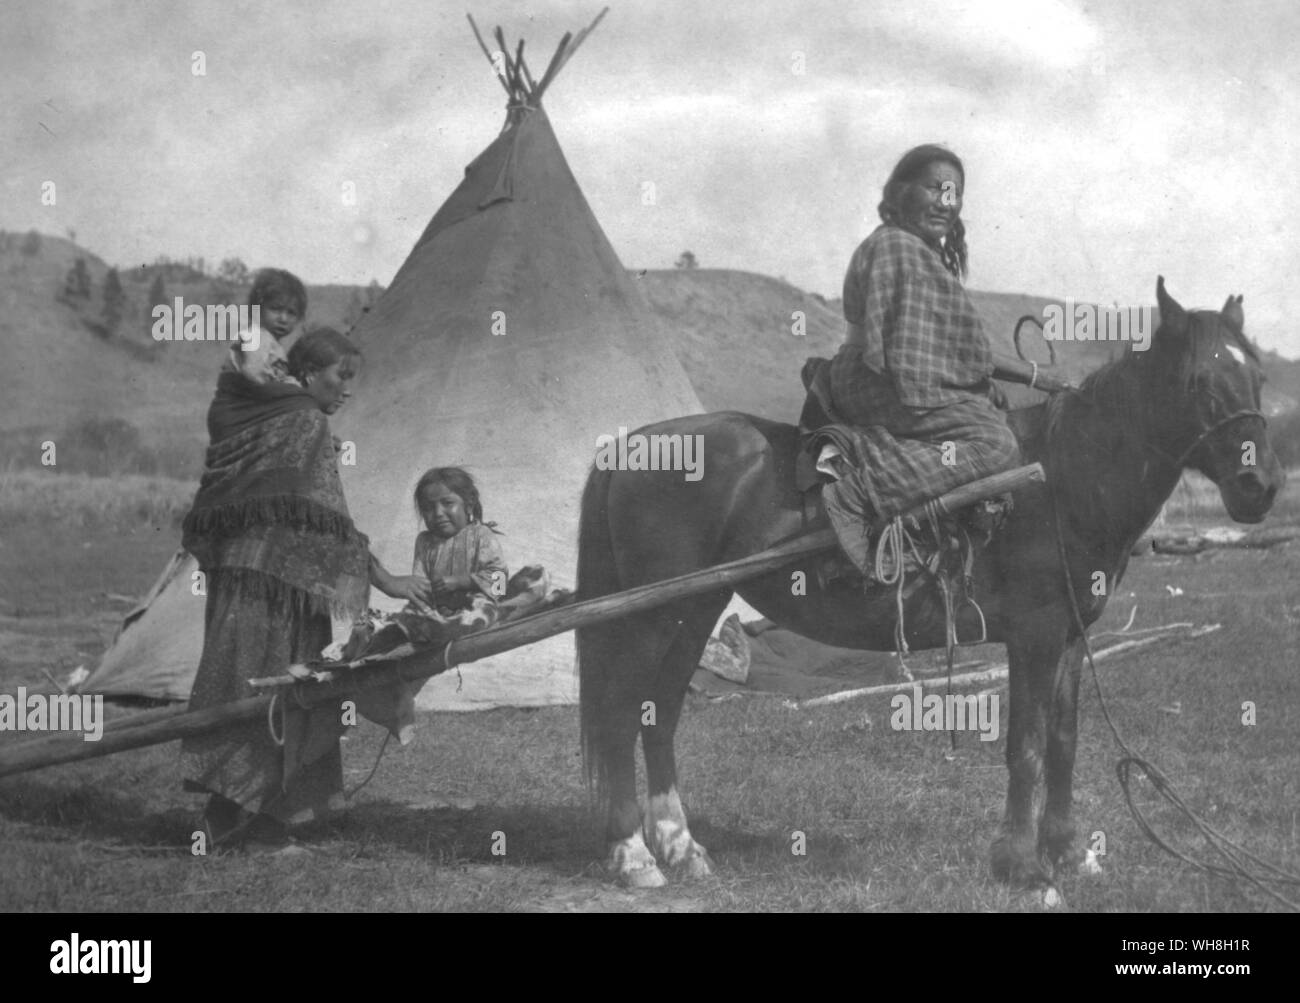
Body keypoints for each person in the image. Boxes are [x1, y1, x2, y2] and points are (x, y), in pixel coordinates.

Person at [180, 325, 431, 852]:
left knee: (245, 684)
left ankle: (250, 819)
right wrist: (385, 579)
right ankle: (244, 824)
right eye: (341, 376)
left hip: (241, 580)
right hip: (279, 590)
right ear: (310, 372)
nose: (346, 389)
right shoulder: (304, 421)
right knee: (280, 692)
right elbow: (327, 518)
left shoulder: (262, 415)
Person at [819, 144, 1019, 569]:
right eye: (935, 188)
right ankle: (859, 491)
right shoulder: (898, 247)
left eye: (955, 193)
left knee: (989, 420)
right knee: (995, 444)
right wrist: (1032, 377)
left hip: (893, 380)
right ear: (900, 190)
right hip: (878, 382)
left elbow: (947, 351)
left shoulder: (916, 250)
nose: (948, 203)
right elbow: (911, 359)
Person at [225, 268, 306, 387]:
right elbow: (253, 374)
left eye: (291, 313)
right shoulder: (258, 336)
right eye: (275, 309)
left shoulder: (271, 343)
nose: (283, 319)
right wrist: (286, 388)